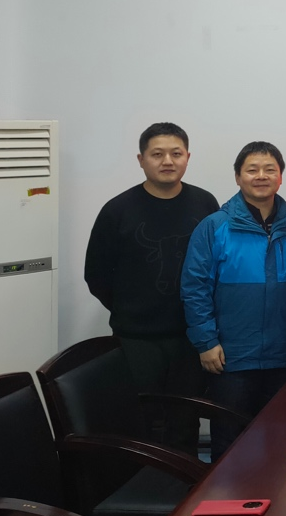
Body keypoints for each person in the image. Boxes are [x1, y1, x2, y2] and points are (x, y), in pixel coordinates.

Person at [84, 122, 218, 454]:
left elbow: (217, 266)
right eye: (157, 154)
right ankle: (143, 483)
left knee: (186, 419)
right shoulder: (117, 210)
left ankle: (185, 481)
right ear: (141, 159)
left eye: (176, 153)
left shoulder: (205, 204)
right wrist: (133, 309)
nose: (167, 161)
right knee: (142, 421)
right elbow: (96, 275)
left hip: (191, 337)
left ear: (188, 157)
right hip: (137, 339)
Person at [181, 141, 286, 460]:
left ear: (280, 177)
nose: (261, 176)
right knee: (229, 442)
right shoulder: (215, 227)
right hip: (230, 356)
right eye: (252, 170)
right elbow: (195, 287)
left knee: (278, 437)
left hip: (280, 355)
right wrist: (206, 342)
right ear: (237, 177)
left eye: (270, 169)